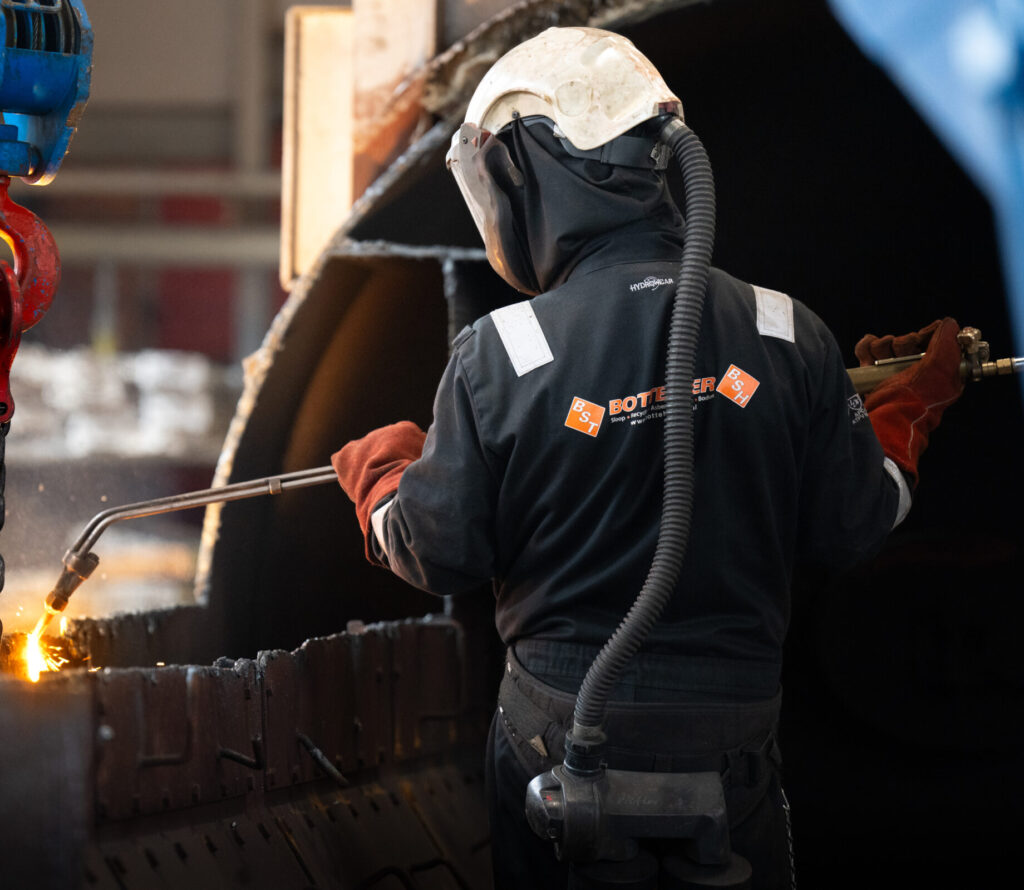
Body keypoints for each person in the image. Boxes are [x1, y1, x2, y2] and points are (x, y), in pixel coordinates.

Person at [330, 26, 964, 890]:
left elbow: (439, 550)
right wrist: (900, 417)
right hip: (731, 735)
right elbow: (852, 525)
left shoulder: (504, 353)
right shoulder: (787, 331)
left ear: (524, 172)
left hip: (562, 733)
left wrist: (384, 480)